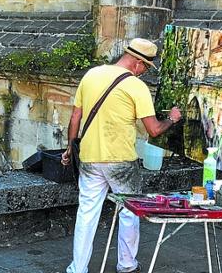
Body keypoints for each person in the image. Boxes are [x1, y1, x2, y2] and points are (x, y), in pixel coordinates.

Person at [62, 38, 182, 273]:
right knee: (129, 212)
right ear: (138, 63)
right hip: (120, 161)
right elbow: (154, 130)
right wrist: (172, 118)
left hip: (89, 157)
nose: (144, 72)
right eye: (146, 67)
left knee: (86, 213)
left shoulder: (91, 75)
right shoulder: (136, 87)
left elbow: (76, 116)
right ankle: (126, 265)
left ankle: (78, 268)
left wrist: (69, 148)